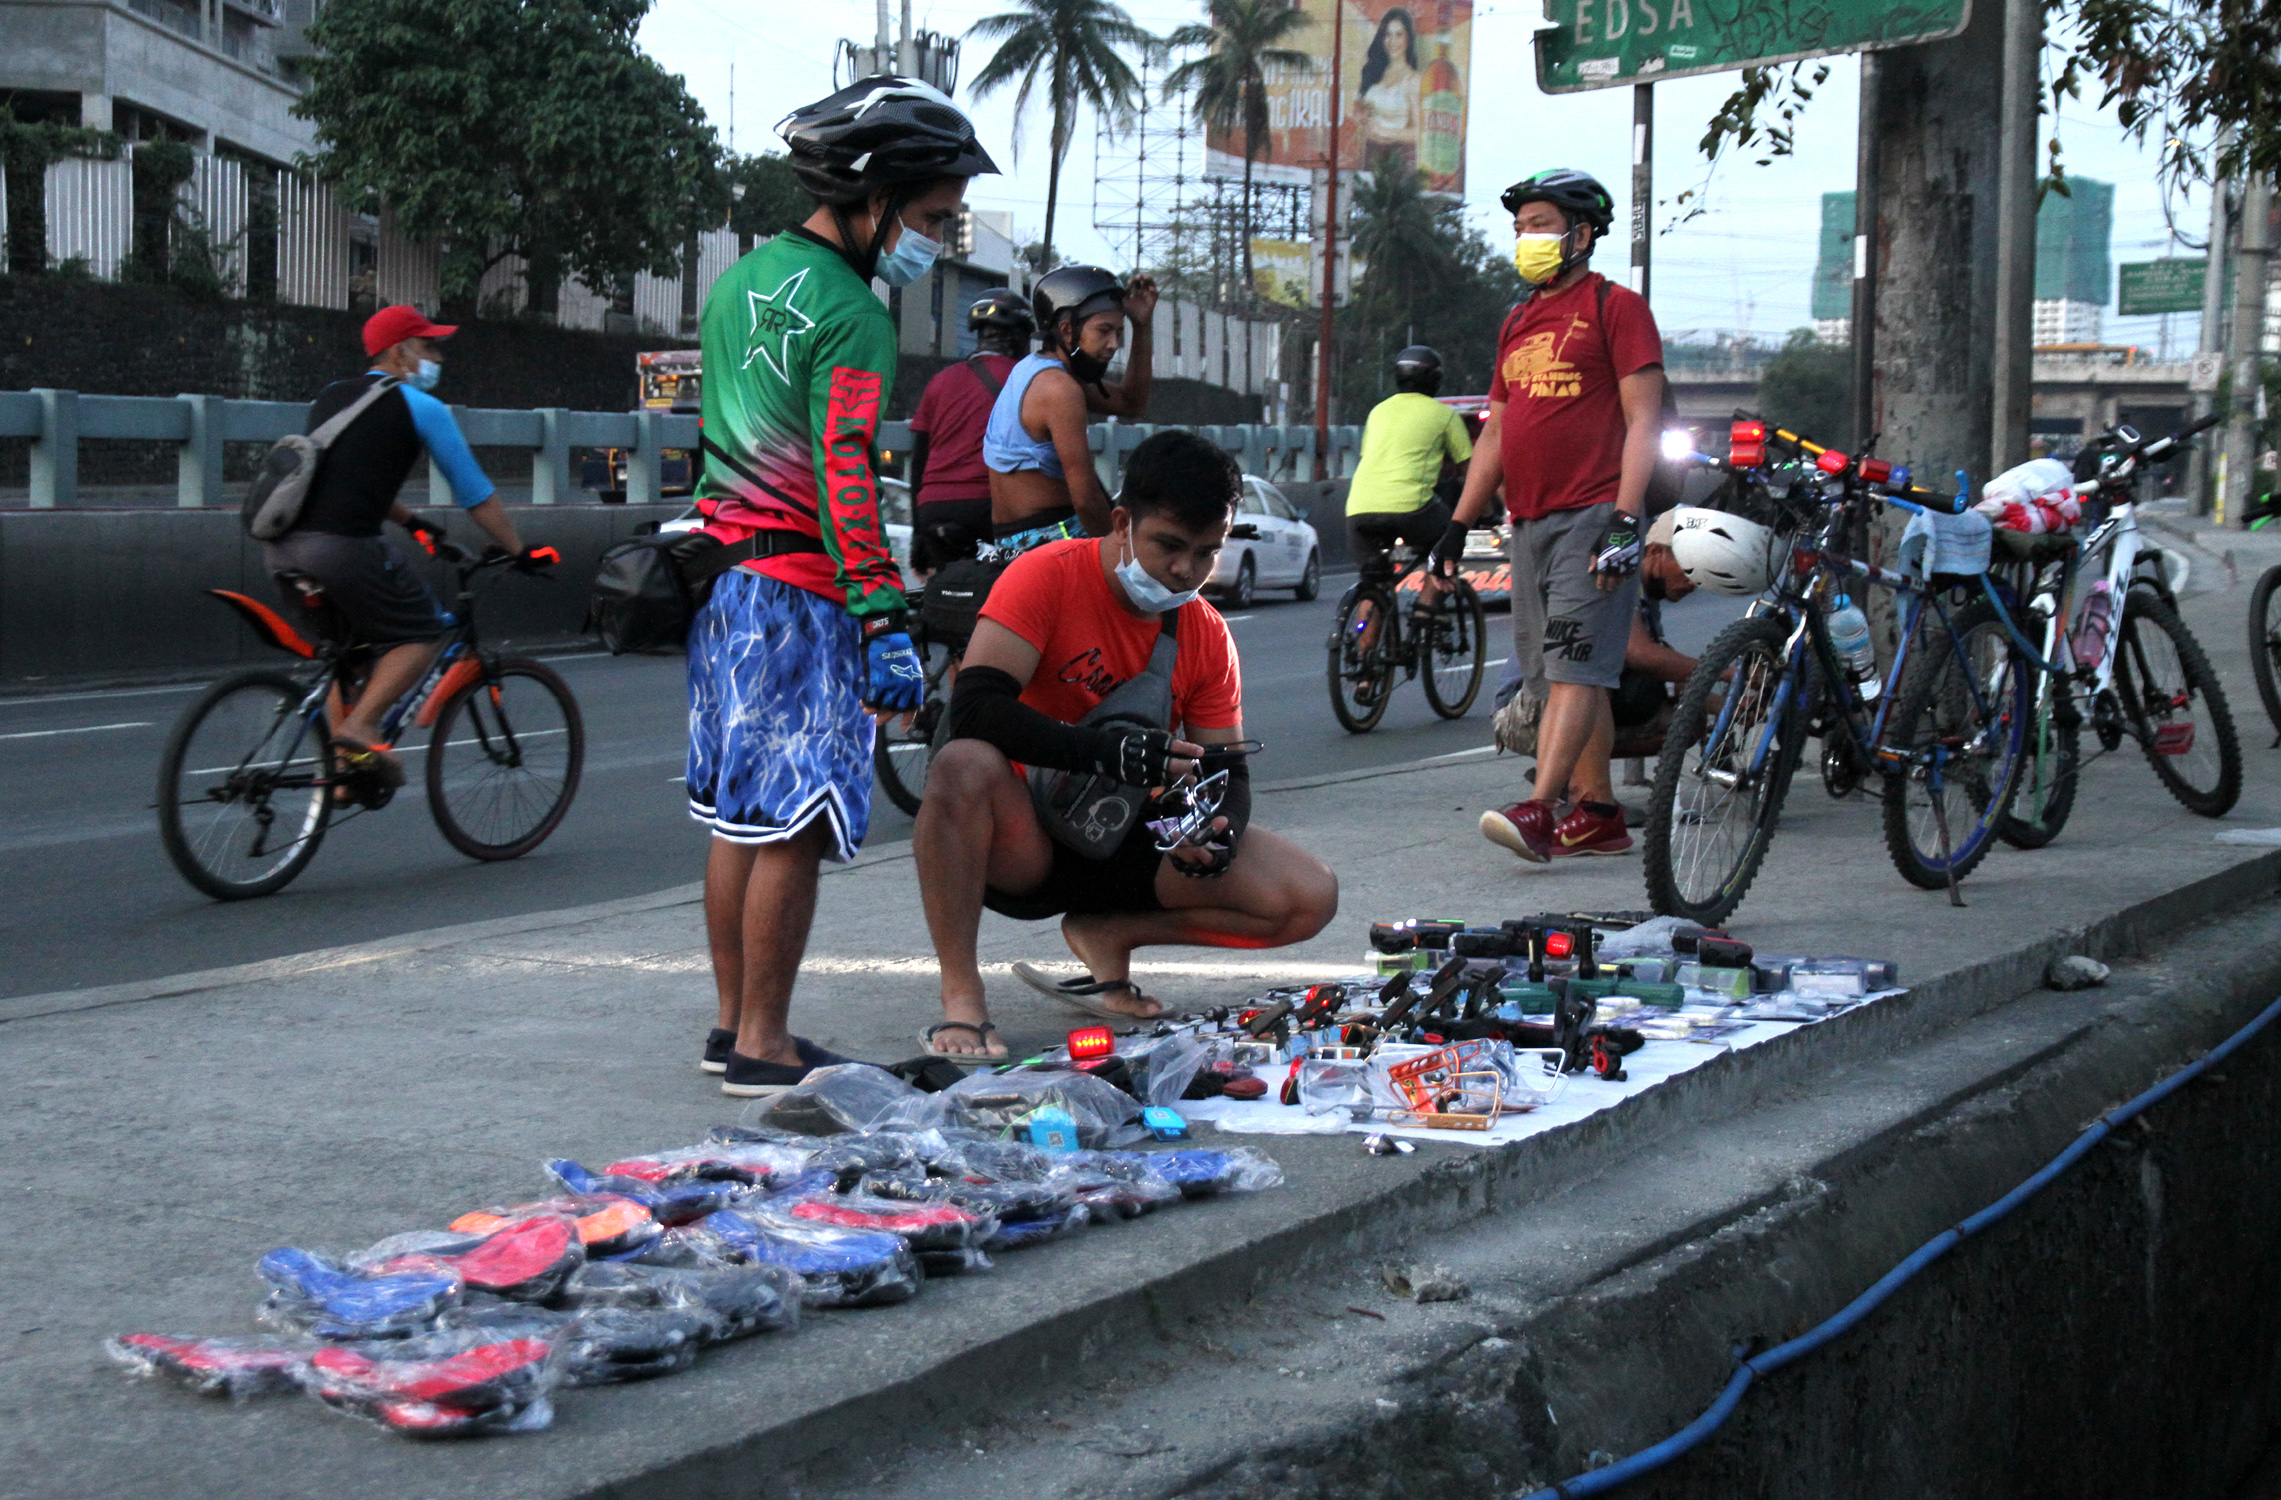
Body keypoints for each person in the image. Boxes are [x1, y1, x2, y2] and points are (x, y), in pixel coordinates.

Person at [687, 75, 998, 1097]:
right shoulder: (853, 314)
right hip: (804, 589)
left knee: (740, 816)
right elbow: (846, 472)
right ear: (876, 197)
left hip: (728, 585)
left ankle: (732, 1025)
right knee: (797, 823)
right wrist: (880, 613)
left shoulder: (740, 283)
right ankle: (766, 1047)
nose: (939, 241)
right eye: (934, 216)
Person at [912, 430, 1339, 1059]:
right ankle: (962, 999)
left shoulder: (1205, 631)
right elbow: (976, 707)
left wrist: (1217, 835)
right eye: (1169, 545)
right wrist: (1106, 754)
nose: (1184, 571)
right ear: (1122, 522)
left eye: (1206, 553)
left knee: (1309, 896)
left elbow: (1228, 772)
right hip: (1022, 845)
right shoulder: (1046, 576)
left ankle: (1110, 931)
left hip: (1126, 838)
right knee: (960, 764)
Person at [1433, 166, 1668, 862]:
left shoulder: (1615, 309)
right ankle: (1596, 811)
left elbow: (1643, 423)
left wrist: (1626, 521)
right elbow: (1496, 434)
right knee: (1559, 673)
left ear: (1582, 234)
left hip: (1594, 513)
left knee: (1573, 666)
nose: (1523, 240)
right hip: (1527, 521)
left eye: (1537, 226)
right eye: (1518, 229)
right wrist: (1457, 524)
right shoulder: (1518, 320)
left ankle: (1540, 809)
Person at [264, 304, 542, 789]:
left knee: (343, 652)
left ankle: (342, 770)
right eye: (428, 345)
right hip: (341, 549)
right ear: (399, 352)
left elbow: (343, 479)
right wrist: (519, 550)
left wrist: (416, 524)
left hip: (283, 548)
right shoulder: (422, 408)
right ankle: (361, 728)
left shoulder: (332, 397)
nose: (436, 357)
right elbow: (475, 493)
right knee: (424, 632)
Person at [982, 264, 1159, 556]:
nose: (1113, 344)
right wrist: (1123, 561)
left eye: (1119, 332)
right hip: (1048, 537)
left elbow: (1131, 403)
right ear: (1067, 330)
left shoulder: (1037, 369)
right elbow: (1086, 499)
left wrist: (1141, 326)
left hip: (1017, 541)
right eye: (1104, 331)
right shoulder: (1059, 389)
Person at [1343, 344, 1472, 677]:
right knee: (1446, 540)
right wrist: (1483, 509)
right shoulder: (1444, 416)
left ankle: (1364, 667)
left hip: (1358, 508)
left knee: (1374, 582)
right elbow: (1470, 468)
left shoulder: (1377, 412)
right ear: (1435, 381)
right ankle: (1426, 607)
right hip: (1411, 508)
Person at [906, 290, 1033, 575]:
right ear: (1018, 336)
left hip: (933, 509)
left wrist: (919, 533)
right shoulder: (1026, 379)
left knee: (951, 593)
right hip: (988, 507)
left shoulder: (939, 381)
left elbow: (919, 462)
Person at [1357, 8, 1420, 173]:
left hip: (1397, 160)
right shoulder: (1374, 73)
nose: (1393, 41)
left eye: (1399, 35)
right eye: (1388, 34)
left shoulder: (1413, 80)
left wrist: (1387, 132)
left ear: (1408, 39)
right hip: (1369, 154)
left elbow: (1419, 132)